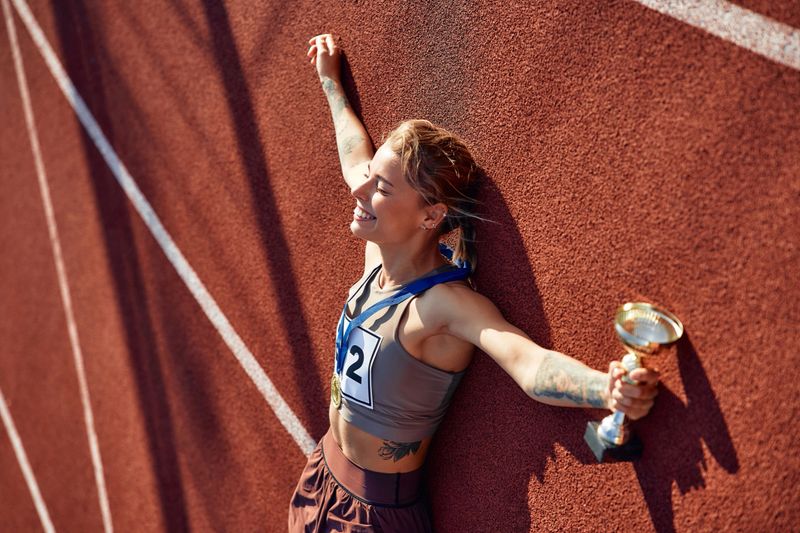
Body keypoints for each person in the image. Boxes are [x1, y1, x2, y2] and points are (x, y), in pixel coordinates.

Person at [288, 34, 660, 532]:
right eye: (369, 178)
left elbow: (529, 364)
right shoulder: (379, 250)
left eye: (379, 187)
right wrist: (331, 82)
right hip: (321, 476)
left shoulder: (444, 306)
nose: (359, 187)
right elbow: (354, 155)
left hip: (372, 518)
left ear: (430, 216)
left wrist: (606, 389)